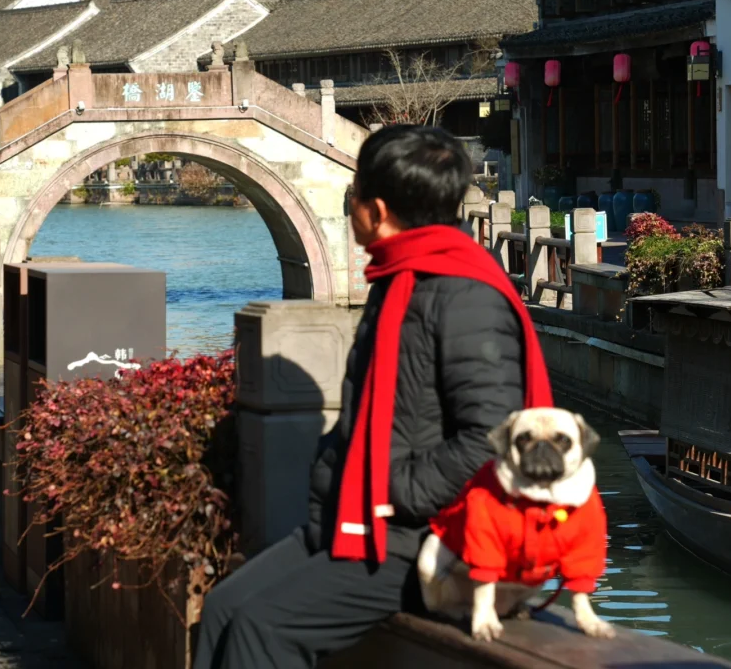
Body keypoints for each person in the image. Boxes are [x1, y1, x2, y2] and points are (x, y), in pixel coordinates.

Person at [194, 124, 552, 669]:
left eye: (354, 193)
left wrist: (391, 492)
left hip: (424, 536)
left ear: (376, 209)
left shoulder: (463, 294)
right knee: (222, 607)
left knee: (261, 628)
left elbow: (497, 438)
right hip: (354, 517)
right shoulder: (402, 275)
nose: (350, 205)